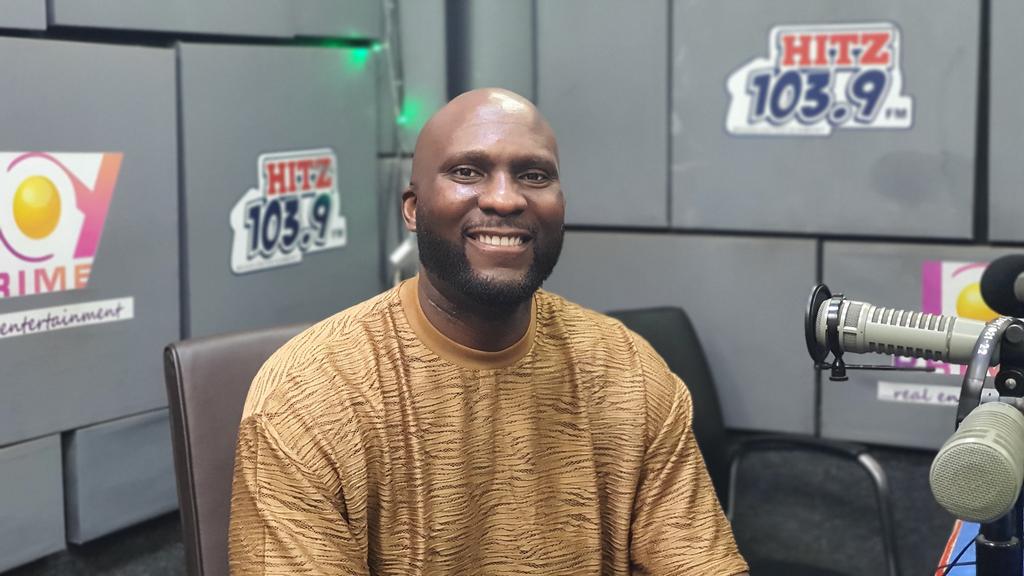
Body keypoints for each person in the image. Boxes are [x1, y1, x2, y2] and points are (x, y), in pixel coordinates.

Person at [229, 88, 749, 575]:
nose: (505, 199)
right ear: (413, 208)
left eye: (534, 175)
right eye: (467, 171)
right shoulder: (308, 397)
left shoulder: (628, 372)